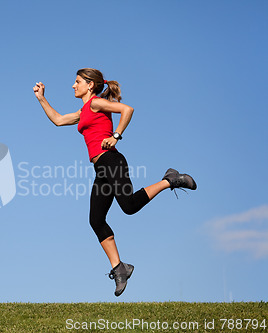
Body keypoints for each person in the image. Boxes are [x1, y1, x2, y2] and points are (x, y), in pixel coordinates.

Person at [33, 68, 197, 297]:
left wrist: (116, 135)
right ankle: (119, 268)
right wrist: (41, 98)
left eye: (77, 81)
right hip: (101, 169)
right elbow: (59, 120)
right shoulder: (84, 111)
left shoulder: (96, 104)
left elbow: (126, 109)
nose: (73, 85)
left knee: (129, 206)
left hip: (112, 160)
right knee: (96, 220)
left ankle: (170, 180)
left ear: (90, 85)